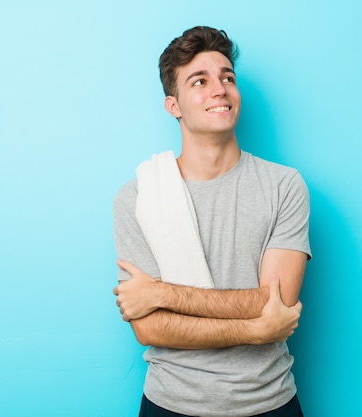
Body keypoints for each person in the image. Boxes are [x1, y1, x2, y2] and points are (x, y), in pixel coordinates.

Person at [113, 26, 311, 417]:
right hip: (171, 403)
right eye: (199, 81)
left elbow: (277, 302)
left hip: (269, 402)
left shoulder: (283, 186)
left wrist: (162, 294)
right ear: (174, 106)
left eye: (227, 77)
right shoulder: (138, 197)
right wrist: (256, 329)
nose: (219, 89)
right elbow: (149, 329)